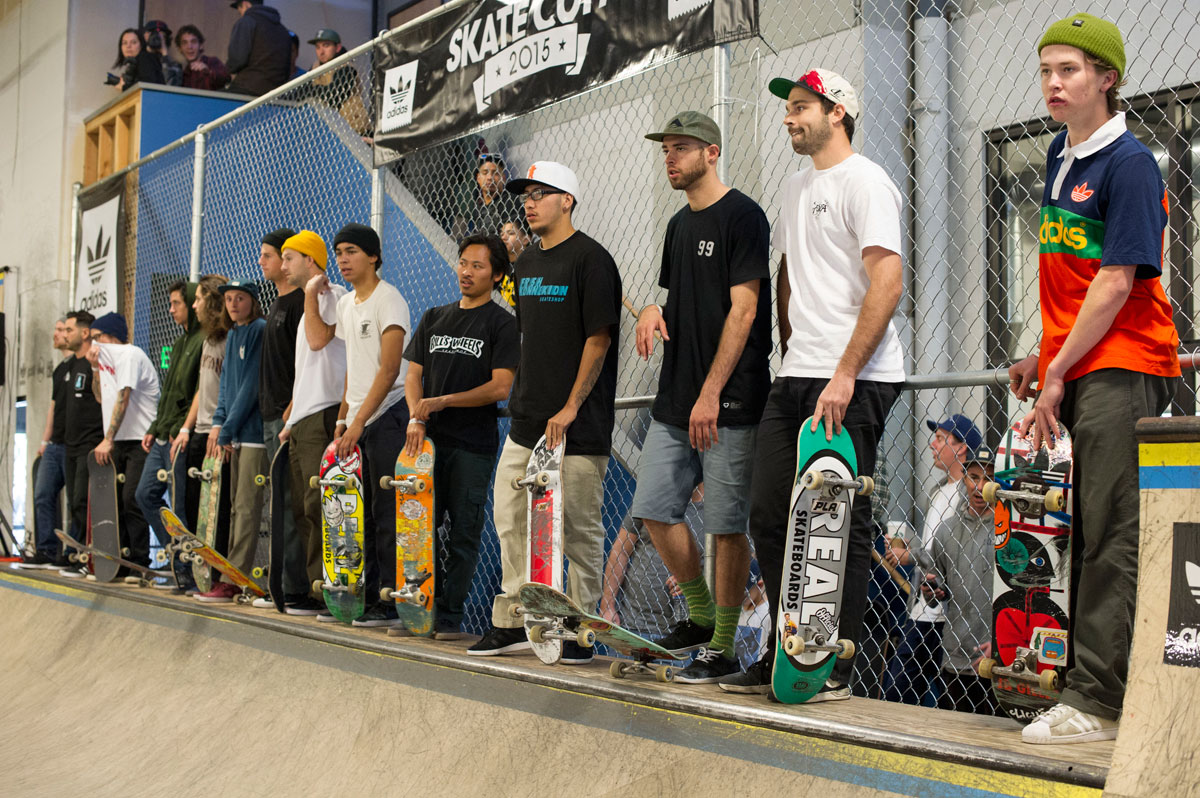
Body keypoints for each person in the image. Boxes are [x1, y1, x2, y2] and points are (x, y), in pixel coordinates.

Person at [1009, 13, 1180, 744]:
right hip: (1076, 360)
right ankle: (1087, 684)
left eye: (1070, 70)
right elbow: (1065, 278)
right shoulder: (1059, 153)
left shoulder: (1130, 164)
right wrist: (1036, 350)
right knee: (1077, 528)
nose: (1053, 82)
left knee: (1112, 531)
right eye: (1047, 69)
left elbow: (1114, 283)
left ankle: (1100, 703)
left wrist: (1056, 373)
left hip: (1125, 363)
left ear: (1106, 80)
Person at [720, 69, 905, 699]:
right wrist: (792, 345)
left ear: (839, 112)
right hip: (797, 371)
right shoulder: (798, 187)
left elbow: (887, 283)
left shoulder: (867, 180)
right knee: (770, 513)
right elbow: (792, 276)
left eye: (801, 107)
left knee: (839, 521)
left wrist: (845, 371)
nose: (788, 118)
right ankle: (791, 653)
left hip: (855, 377)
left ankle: (836, 665)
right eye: (788, 108)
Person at [631, 111, 771, 684]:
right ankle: (701, 617)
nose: (670, 157)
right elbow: (676, 299)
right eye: (665, 149)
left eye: (681, 148)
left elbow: (744, 308)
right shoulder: (676, 226)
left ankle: (722, 646)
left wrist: (712, 393)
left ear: (711, 152)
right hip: (674, 398)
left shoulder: (744, 216)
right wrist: (649, 309)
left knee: (724, 525)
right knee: (654, 509)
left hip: (729, 399)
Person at [467, 161, 622, 665]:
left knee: (578, 527)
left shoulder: (593, 261)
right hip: (527, 417)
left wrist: (572, 405)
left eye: (541, 193)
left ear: (567, 201)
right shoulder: (527, 263)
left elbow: (598, 338)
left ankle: (578, 628)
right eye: (526, 194)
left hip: (578, 422)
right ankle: (517, 619)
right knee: (508, 516)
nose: (529, 202)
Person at [402, 233, 519, 639]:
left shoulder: (502, 324)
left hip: (473, 446)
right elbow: (412, 375)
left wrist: (443, 401)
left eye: (478, 266)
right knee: (419, 530)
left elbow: (500, 387)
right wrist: (417, 417)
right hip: (427, 445)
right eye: (463, 263)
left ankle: (449, 618)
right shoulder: (434, 316)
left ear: (497, 274)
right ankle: (419, 612)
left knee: (464, 533)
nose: (466, 272)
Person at [330, 223, 411, 628]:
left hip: (389, 416)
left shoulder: (389, 299)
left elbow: (389, 368)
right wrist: (344, 417)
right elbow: (353, 368)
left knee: (386, 514)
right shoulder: (346, 305)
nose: (343, 259)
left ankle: (393, 601)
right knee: (358, 515)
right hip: (359, 423)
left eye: (351, 252)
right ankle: (369, 596)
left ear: (374, 256)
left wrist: (359, 421)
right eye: (339, 252)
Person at [882, 412, 982, 706]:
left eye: (940, 438)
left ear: (961, 448)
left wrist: (909, 555)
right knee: (901, 689)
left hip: (950, 612)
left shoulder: (969, 495)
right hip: (923, 607)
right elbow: (934, 545)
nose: (932, 445)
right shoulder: (938, 491)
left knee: (941, 692)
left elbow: (955, 549)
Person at [277, 230, 346, 617]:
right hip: (305, 418)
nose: (284, 266)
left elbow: (320, 341)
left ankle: (332, 594)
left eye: (289, 258)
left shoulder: (329, 297)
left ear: (310, 260)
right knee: (304, 510)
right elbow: (307, 371)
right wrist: (293, 416)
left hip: (326, 415)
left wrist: (310, 296)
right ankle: (314, 589)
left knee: (323, 507)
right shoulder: (310, 303)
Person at [906, 447, 1000, 717]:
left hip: (997, 655)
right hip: (956, 654)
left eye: (988, 478)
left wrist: (1003, 643)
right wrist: (930, 589)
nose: (980, 486)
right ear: (964, 480)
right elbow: (937, 591)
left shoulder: (1009, 529)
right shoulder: (947, 530)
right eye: (973, 477)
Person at [199, 281, 266, 602]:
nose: (234, 304)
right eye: (228, 299)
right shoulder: (233, 335)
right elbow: (226, 386)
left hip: (254, 436)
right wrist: (218, 424)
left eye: (240, 298)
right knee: (235, 510)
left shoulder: (259, 331)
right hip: (234, 435)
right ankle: (229, 575)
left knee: (247, 509)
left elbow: (251, 387)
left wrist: (226, 430)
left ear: (253, 302)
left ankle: (235, 579)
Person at [85, 313, 161, 574]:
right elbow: (99, 397)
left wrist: (107, 439)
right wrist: (95, 369)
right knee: (115, 502)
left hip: (141, 439)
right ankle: (123, 562)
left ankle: (142, 562)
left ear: (112, 336)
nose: (95, 345)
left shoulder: (129, 355)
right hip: (119, 440)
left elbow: (123, 397)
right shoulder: (105, 362)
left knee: (132, 498)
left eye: (98, 338)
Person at [134, 281, 204, 559]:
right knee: (144, 494)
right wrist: (154, 427)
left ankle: (186, 566)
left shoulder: (202, 342)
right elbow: (168, 394)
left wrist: (181, 428)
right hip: (163, 435)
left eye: (177, 303)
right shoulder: (178, 343)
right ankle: (174, 553)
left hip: (179, 437)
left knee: (180, 506)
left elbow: (197, 392)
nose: (171, 309)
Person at [173, 275, 233, 584]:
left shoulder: (228, 338)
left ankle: (217, 573)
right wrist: (186, 428)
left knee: (217, 511)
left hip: (217, 434)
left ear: (210, 301)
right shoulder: (208, 340)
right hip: (200, 431)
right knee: (193, 507)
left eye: (197, 299)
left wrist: (222, 431)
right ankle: (200, 571)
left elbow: (231, 390)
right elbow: (203, 388)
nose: (194, 305)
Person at [255, 228, 302, 609]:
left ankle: (293, 589)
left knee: (290, 504)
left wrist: (291, 408)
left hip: (290, 416)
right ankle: (280, 586)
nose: (265, 262)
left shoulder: (302, 303)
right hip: (271, 415)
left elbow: (310, 363)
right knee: (277, 504)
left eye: (271, 256)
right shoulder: (277, 302)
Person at [18, 319, 73, 569]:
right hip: (54, 444)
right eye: (57, 329)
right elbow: (53, 407)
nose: (56, 334)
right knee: (42, 494)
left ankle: (73, 553)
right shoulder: (60, 369)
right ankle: (46, 550)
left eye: (62, 330)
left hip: (74, 445)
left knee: (76, 500)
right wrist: (44, 439)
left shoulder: (83, 365)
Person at [60, 311, 103, 576]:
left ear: (84, 333)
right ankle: (75, 553)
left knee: (82, 500)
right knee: (72, 502)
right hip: (70, 444)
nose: (65, 335)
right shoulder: (70, 366)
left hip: (90, 442)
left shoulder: (91, 363)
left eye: (69, 330)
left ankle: (86, 558)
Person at [304, 29, 369, 136]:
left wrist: (313, 90)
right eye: (318, 47)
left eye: (326, 45)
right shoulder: (314, 68)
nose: (321, 51)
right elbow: (301, 93)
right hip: (328, 131)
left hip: (355, 130)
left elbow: (332, 96)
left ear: (338, 47)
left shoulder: (346, 66)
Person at [226, 0, 291, 97]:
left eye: (240, 10)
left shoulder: (246, 21)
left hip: (247, 89)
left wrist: (225, 69)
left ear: (246, 4)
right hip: (276, 95)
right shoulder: (283, 30)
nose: (241, 14)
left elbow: (237, 61)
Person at [452, 156, 523, 242]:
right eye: (485, 173)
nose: (490, 177)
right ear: (478, 178)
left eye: (495, 173)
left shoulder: (512, 202)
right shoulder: (478, 208)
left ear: (503, 178)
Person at [176, 24, 231, 92]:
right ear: (180, 49)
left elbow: (226, 79)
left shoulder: (212, 62)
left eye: (193, 42)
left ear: (201, 45)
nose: (189, 47)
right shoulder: (184, 73)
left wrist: (208, 71)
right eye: (184, 43)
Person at [142, 20, 182, 87]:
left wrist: (165, 56)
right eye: (153, 34)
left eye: (162, 36)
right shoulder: (139, 60)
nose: (157, 38)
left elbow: (172, 87)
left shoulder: (174, 65)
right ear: (145, 36)